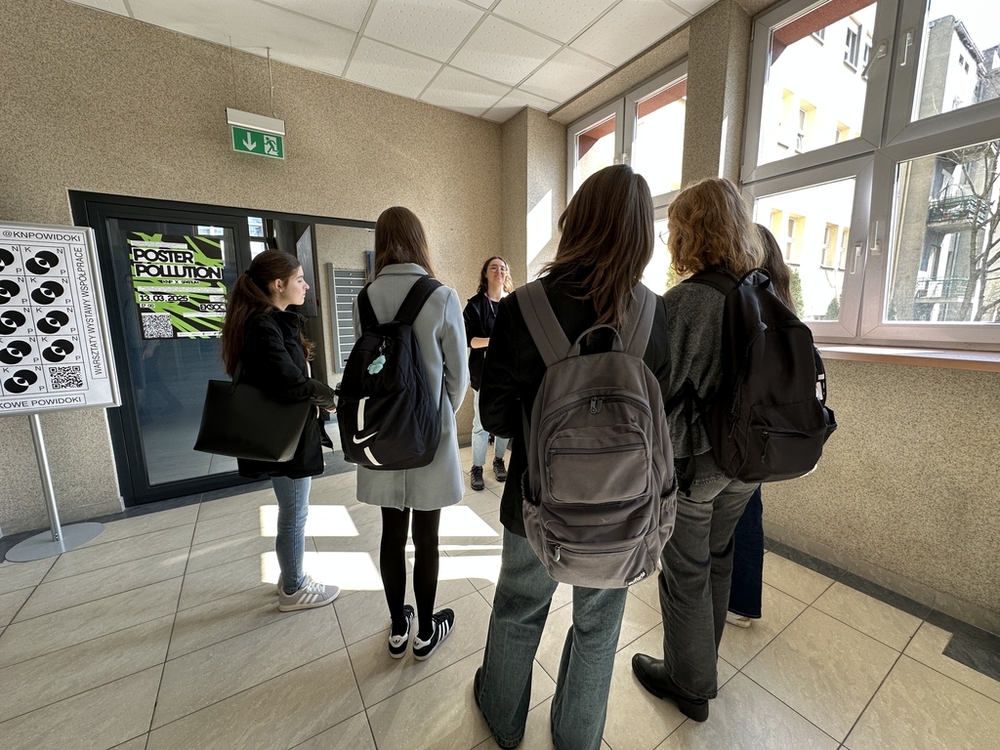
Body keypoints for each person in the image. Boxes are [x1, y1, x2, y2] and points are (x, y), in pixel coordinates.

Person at [473, 165, 671, 750]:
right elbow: (662, 423)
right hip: (624, 509)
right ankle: (577, 737)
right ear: (643, 234)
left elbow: (495, 416)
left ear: (577, 220)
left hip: (536, 501)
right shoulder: (656, 315)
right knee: (598, 627)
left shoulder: (523, 307)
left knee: (518, 607)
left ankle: (503, 719)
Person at [631, 177, 764, 722]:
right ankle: (702, 664)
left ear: (690, 232)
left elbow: (654, 393)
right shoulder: (763, 292)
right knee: (718, 557)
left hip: (698, 464)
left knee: (684, 570)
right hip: (751, 461)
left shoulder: (682, 303)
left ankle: (688, 684)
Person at [354, 206, 469, 660]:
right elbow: (458, 377)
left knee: (390, 535)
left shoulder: (365, 298)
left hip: (380, 433)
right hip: (428, 438)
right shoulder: (442, 296)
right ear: (420, 240)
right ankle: (425, 633)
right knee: (427, 539)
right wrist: (438, 416)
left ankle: (398, 629)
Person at [221, 249, 340, 612]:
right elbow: (287, 380)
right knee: (294, 513)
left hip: (288, 431)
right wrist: (327, 397)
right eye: (300, 279)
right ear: (278, 284)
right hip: (286, 436)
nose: (306, 286)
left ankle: (290, 575)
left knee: (291, 510)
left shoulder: (269, 321)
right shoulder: (263, 325)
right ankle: (294, 587)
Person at [726, 224, 796, 629]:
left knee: (725, 515)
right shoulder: (783, 302)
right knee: (749, 513)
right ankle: (743, 602)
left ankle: (724, 596)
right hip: (767, 433)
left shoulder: (745, 300)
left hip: (738, 429)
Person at [463, 256, 513, 491]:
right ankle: (477, 467)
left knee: (505, 420)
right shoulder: (474, 305)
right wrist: (496, 340)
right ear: (485, 273)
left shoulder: (513, 303)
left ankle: (499, 460)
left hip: (509, 373)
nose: (499, 271)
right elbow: (469, 340)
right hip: (482, 373)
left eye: (503, 268)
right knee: (481, 424)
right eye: (494, 267)